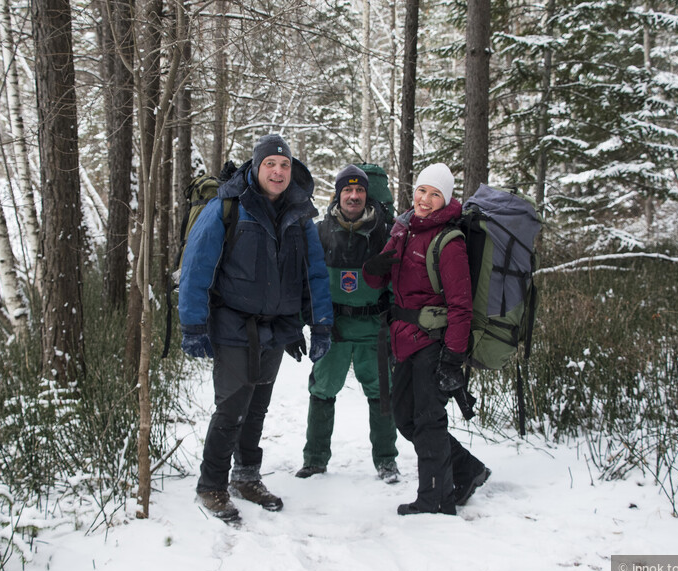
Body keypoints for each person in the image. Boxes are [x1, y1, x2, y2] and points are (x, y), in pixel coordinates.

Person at [178, 134, 333, 523]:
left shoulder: (300, 214)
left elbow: (314, 274)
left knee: (258, 409)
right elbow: (197, 267)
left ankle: (246, 476)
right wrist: (193, 324)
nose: (278, 172)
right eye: (270, 164)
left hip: (275, 329)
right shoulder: (228, 207)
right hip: (232, 324)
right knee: (231, 407)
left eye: (284, 165)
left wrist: (321, 326)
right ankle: (211, 484)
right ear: (257, 166)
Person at [362, 163, 490, 515]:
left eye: (436, 194)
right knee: (406, 418)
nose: (426, 200)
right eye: (422, 191)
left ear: (446, 199)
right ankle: (467, 470)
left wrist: (452, 358)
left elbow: (461, 306)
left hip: (432, 343)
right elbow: (379, 282)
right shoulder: (403, 229)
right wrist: (373, 269)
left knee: (429, 421)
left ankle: (436, 499)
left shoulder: (449, 241)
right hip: (403, 338)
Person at [295, 165, 399, 483]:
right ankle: (314, 460)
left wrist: (398, 325)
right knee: (322, 392)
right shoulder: (319, 231)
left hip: (374, 329)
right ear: (338, 194)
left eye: (359, 190)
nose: (353, 196)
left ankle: (386, 461)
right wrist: (301, 322)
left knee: (382, 393)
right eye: (347, 190)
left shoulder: (387, 233)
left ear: (367, 195)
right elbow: (304, 281)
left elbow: (398, 283)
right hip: (334, 329)